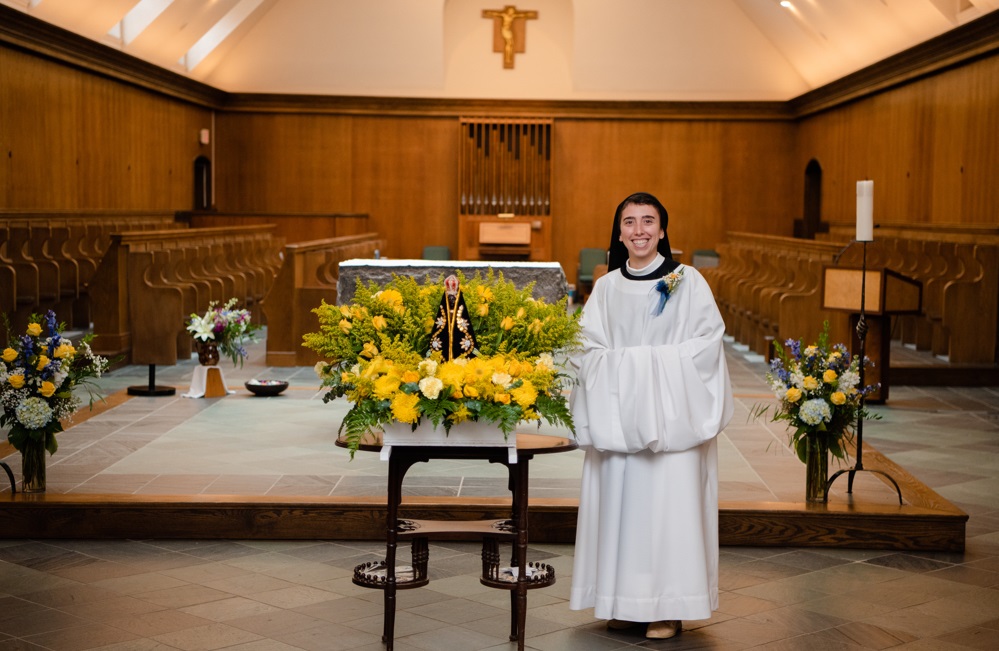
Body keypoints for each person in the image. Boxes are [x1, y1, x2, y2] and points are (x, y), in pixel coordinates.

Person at [568, 192, 734, 639]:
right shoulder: (605, 287)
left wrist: (644, 368)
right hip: (619, 419)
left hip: (670, 419)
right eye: (629, 222)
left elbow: (707, 344)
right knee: (621, 510)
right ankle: (623, 602)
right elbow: (586, 348)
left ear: (662, 230)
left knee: (666, 513)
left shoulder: (689, 281)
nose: (638, 231)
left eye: (648, 221)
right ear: (618, 231)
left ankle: (666, 608)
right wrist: (628, 370)